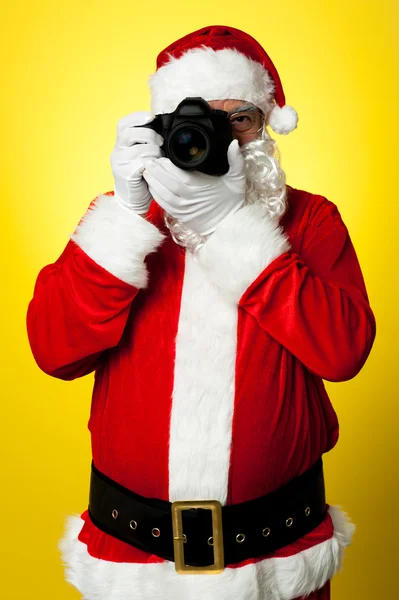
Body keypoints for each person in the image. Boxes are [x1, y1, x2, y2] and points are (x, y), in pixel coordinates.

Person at [26, 25, 376, 600]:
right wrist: (129, 218)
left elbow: (343, 351)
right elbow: (55, 351)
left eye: (241, 118)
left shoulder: (310, 221)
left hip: (277, 556)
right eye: (197, 117)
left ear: (266, 128)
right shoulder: (121, 219)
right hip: (134, 558)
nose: (221, 136)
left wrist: (230, 228)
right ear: (158, 126)